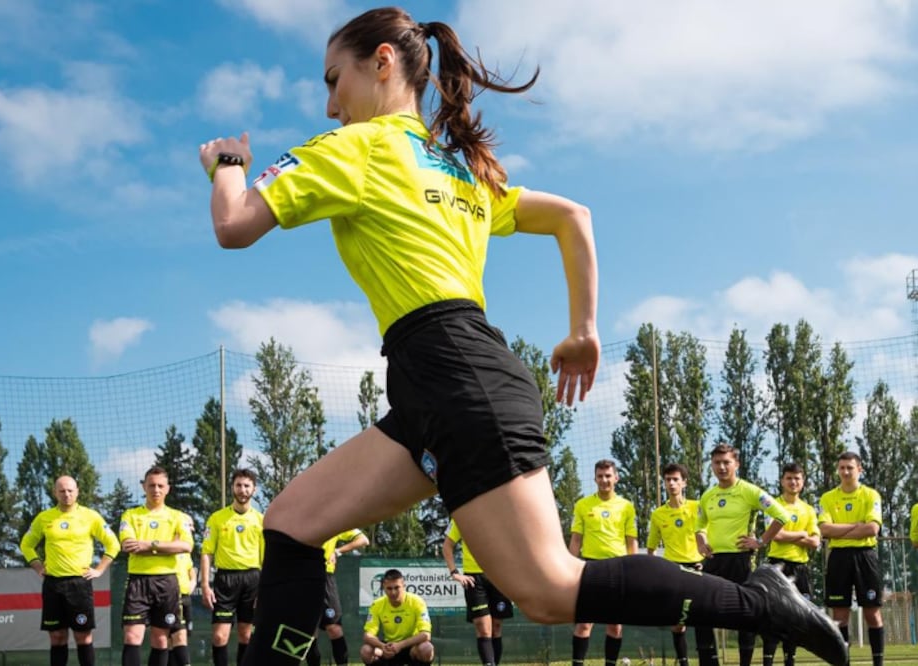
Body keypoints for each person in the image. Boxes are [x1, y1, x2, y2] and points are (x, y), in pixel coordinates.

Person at [197, 7, 847, 666]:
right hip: (438, 385)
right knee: (291, 524)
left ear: (383, 64)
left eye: (334, 79)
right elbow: (572, 215)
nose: (331, 104)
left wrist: (227, 161)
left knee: (548, 588)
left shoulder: (353, 148)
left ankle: (759, 601)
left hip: (455, 377)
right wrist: (583, 330)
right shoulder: (459, 169)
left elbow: (234, 223)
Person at [694, 444, 791, 666]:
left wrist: (761, 541)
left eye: (726, 462)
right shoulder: (708, 496)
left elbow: (781, 515)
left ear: (736, 464)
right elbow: (699, 524)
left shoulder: (750, 491)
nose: (721, 467)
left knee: (744, 616)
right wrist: (701, 541)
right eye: (717, 463)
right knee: (702, 611)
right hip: (713, 561)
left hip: (741, 561)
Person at [20, 475, 120, 666]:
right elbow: (26, 545)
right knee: (57, 637)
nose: (66, 494)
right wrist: (38, 566)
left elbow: (113, 544)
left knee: (83, 636)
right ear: (55, 493)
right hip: (53, 584)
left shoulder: (90, 516)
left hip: (79, 584)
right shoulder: (44, 518)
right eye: (62, 491)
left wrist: (99, 569)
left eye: (70, 490)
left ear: (77, 491)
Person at [119, 466, 195, 666]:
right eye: (151, 485)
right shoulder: (130, 515)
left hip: (167, 582)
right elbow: (128, 545)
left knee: (161, 639)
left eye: (160, 485)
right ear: (144, 487)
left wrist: (148, 544)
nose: (156, 490)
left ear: (168, 488)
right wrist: (166, 547)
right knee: (132, 637)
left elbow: (186, 546)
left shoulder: (178, 517)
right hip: (138, 581)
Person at [818, 451, 884, 666]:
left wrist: (840, 531)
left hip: (865, 556)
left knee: (872, 614)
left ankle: (878, 662)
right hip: (838, 558)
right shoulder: (828, 498)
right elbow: (824, 530)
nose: (845, 472)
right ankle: (843, 662)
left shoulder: (871, 495)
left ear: (859, 470)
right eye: (842, 468)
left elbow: (872, 528)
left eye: (850, 468)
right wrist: (857, 526)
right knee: (839, 616)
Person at [569, 460, 637, 666]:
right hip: (590, 567)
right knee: (583, 624)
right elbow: (576, 540)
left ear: (616, 478)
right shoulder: (582, 505)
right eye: (600, 476)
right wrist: (570, 567)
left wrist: (633, 571)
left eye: (608, 476)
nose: (604, 480)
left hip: (618, 568)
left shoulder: (626, 506)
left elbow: (631, 541)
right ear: (594, 478)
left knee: (615, 626)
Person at [200, 469, 264, 666]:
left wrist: (265, 588)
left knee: (246, 635)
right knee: (220, 637)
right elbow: (206, 552)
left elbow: (267, 558)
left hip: (253, 579)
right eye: (238, 485)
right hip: (225, 580)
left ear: (254, 489)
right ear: (232, 488)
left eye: (247, 486)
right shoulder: (217, 518)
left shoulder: (261, 520)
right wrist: (205, 585)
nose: (242, 490)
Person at [761, 463, 820, 666]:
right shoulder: (772, 505)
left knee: (796, 615)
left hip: (800, 567)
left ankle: (790, 659)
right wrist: (803, 534)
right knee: (772, 614)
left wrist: (793, 537)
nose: (793, 482)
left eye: (797, 478)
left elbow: (815, 542)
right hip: (777, 566)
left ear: (802, 482)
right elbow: (774, 535)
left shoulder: (809, 510)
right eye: (789, 478)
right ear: (782, 481)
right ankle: (768, 659)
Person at [646, 463, 702, 666]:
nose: (671, 483)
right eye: (668, 480)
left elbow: (708, 537)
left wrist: (706, 561)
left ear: (684, 482)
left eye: (675, 479)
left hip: (698, 567)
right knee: (678, 623)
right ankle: (684, 662)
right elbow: (651, 548)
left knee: (705, 619)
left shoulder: (697, 507)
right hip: (673, 570)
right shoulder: (658, 514)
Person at [442, 519, 512, 666]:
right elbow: (447, 546)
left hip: (499, 575)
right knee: (483, 628)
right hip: (474, 578)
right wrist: (454, 573)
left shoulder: (503, 512)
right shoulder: (461, 515)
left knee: (496, 627)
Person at [307, 528, 370, 666]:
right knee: (310, 635)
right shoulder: (302, 520)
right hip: (304, 580)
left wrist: (338, 551)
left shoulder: (335, 521)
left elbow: (364, 540)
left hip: (326, 579)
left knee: (334, 629)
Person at [360, 569, 434, 665]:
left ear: (404, 586)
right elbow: (367, 636)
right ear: (383, 588)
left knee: (426, 648)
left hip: (411, 647)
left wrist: (400, 645)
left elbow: (426, 635)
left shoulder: (417, 602)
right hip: (388, 648)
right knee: (366, 650)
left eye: (397, 588)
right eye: (389, 588)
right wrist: (382, 646)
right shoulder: (377, 604)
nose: (393, 592)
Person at [170, 532, 198, 666]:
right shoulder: (165, 550)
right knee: (174, 637)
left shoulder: (186, 554)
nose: (190, 530)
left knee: (182, 636)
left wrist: (190, 586)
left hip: (185, 598)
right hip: (170, 598)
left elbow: (192, 574)